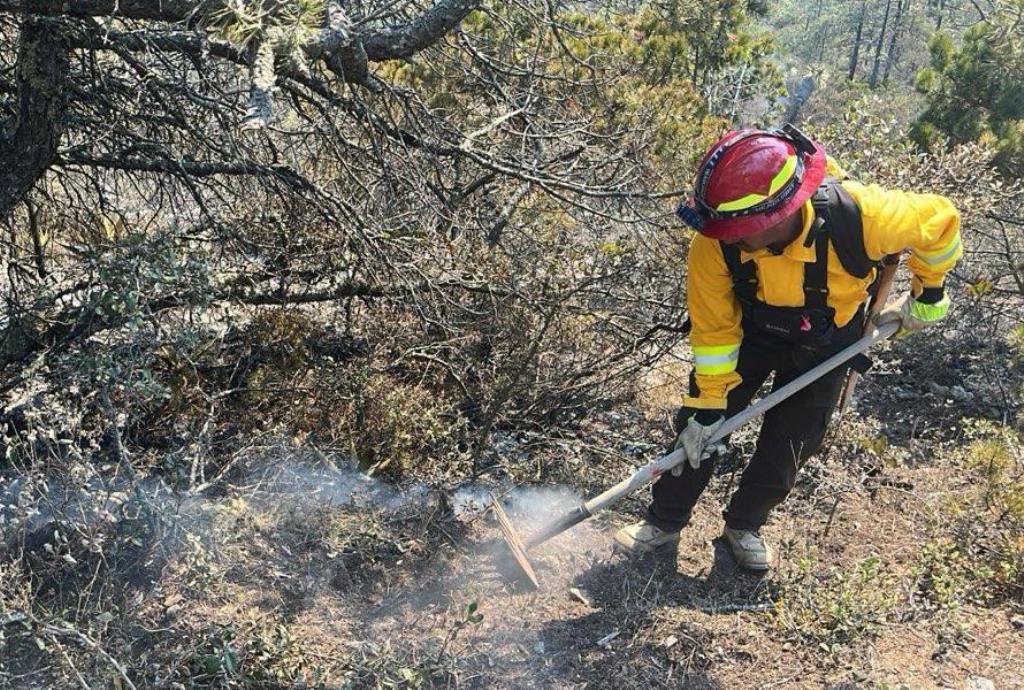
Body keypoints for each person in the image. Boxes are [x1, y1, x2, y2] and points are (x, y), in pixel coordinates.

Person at [614, 124, 962, 570]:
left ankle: (745, 526)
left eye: (738, 230)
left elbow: (941, 221)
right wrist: (709, 404)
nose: (726, 237)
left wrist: (928, 294)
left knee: (793, 439)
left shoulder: (864, 217)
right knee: (699, 428)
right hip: (752, 332)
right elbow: (713, 329)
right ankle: (663, 522)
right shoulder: (714, 244)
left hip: (828, 341)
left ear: (778, 215)